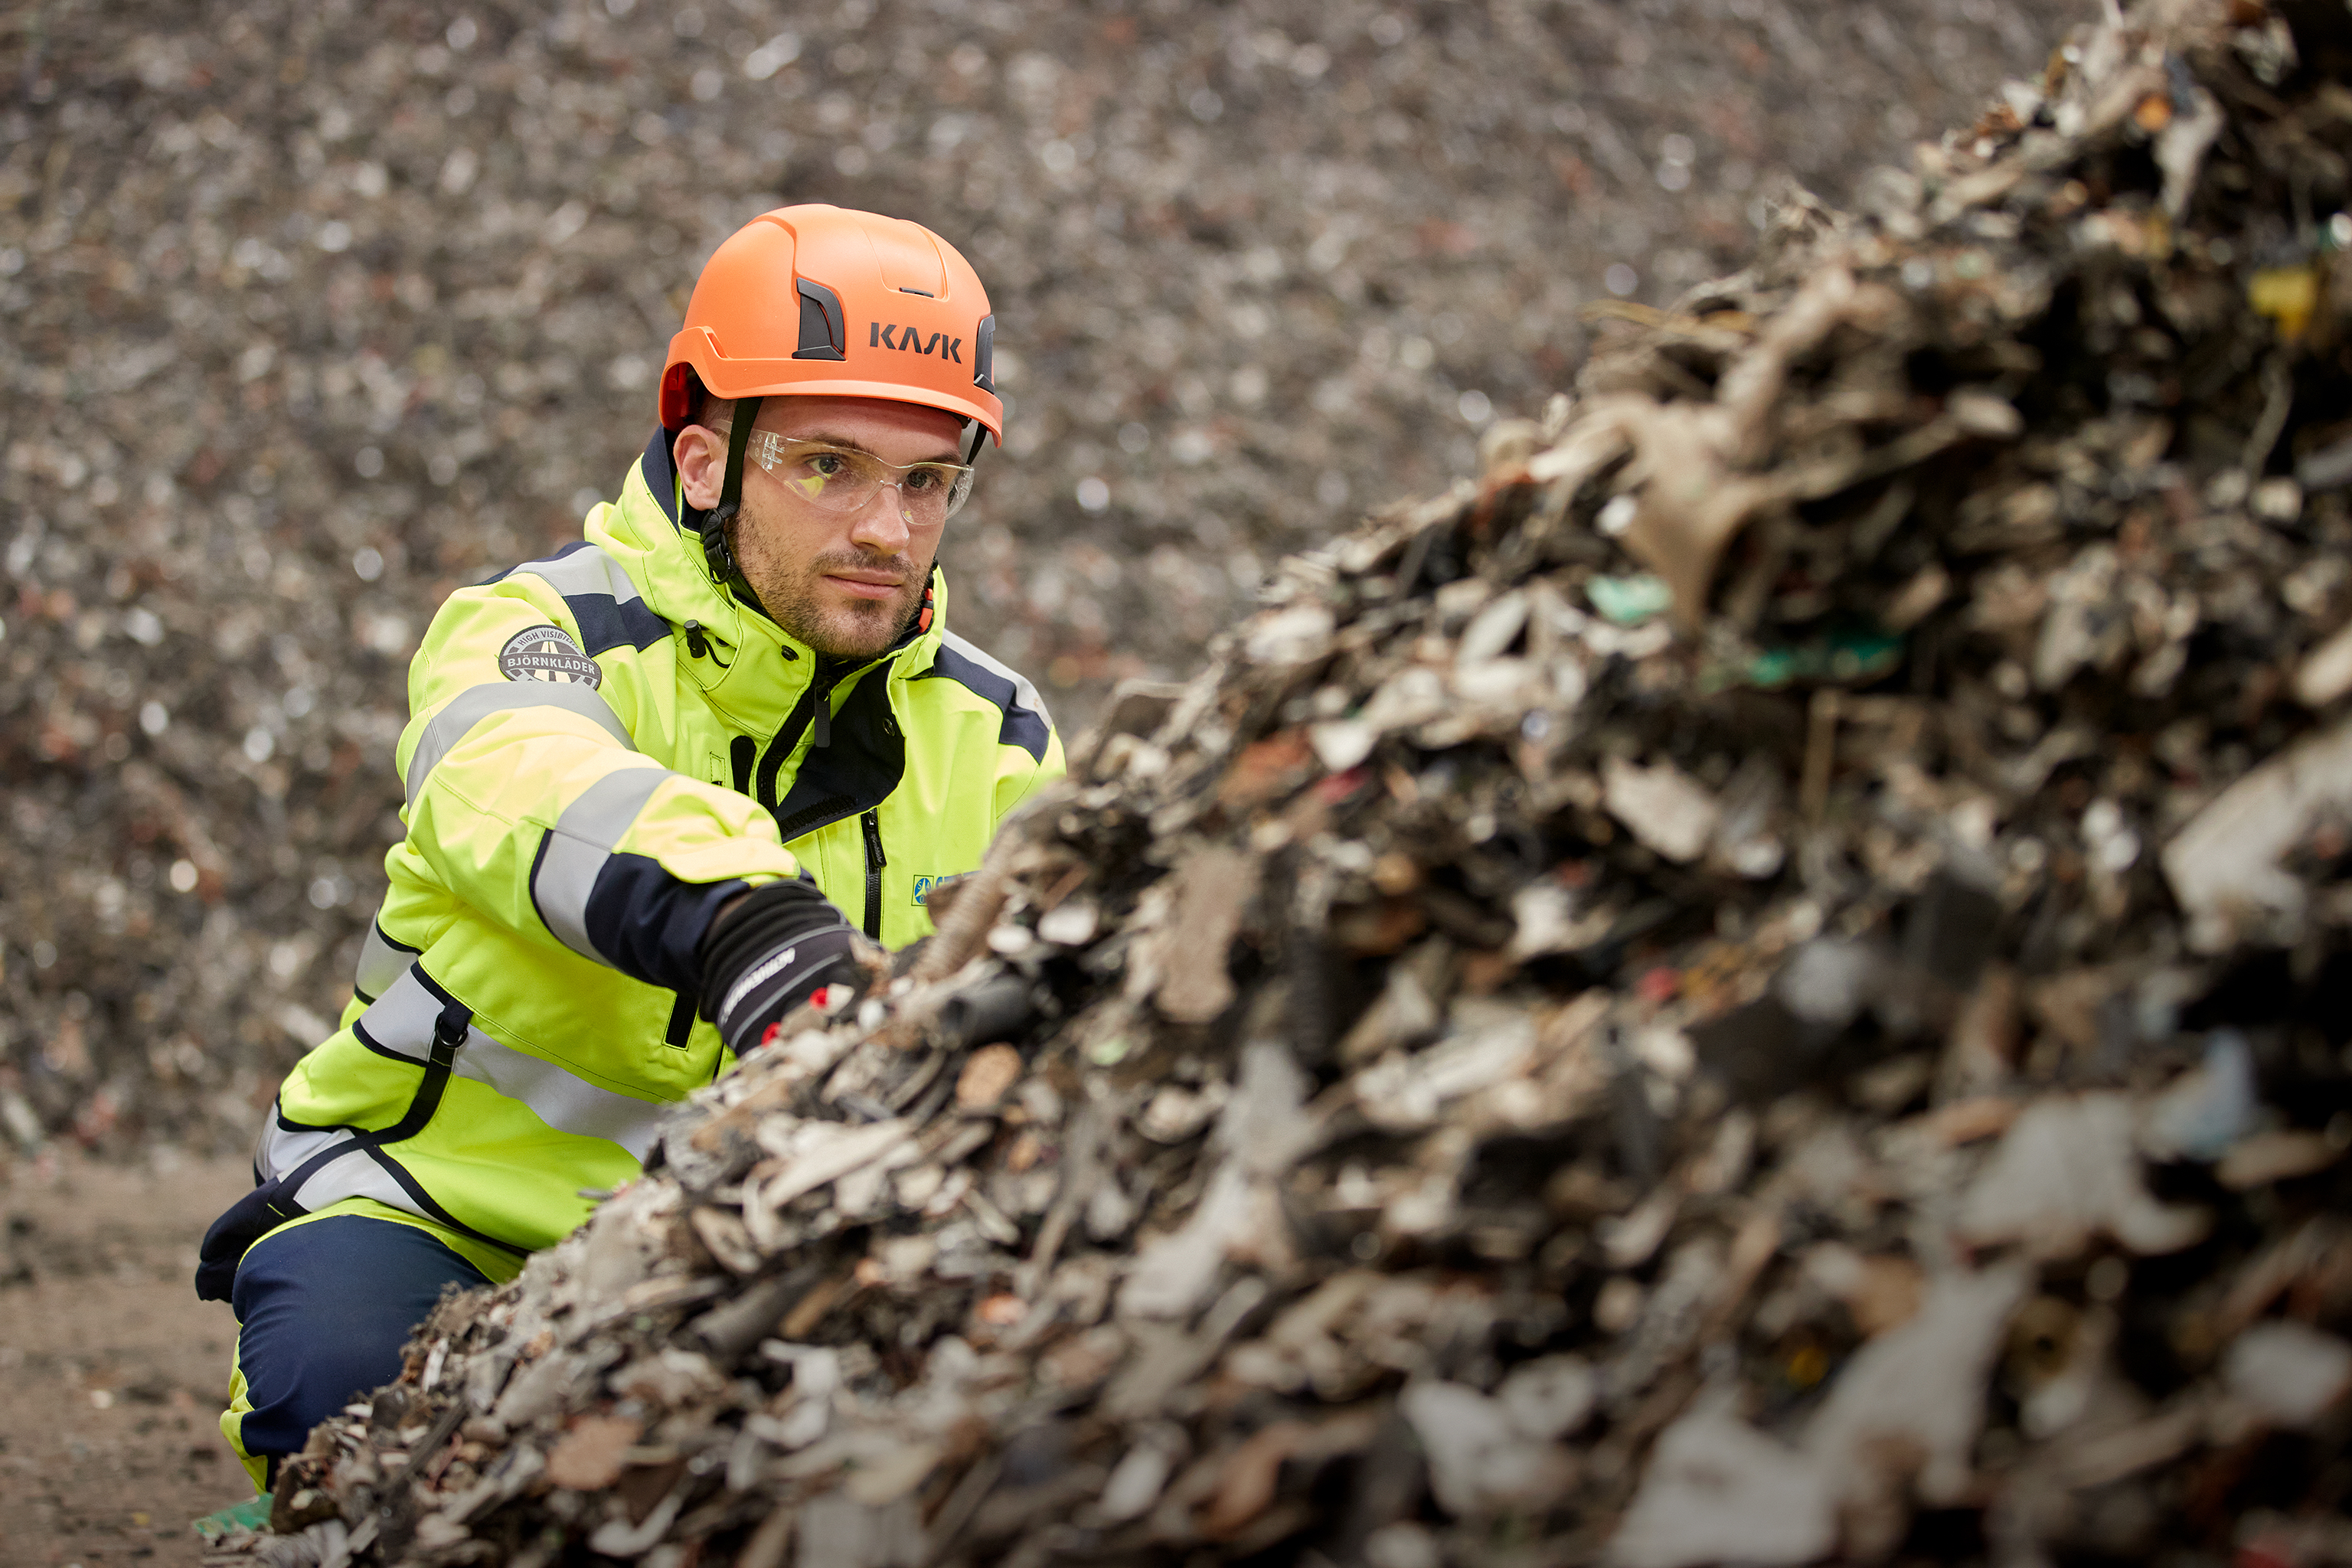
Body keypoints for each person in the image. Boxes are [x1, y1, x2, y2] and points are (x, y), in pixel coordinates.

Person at [194, 204, 1063, 1491]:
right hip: (441, 1211)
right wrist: (746, 924)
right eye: (827, 465)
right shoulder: (537, 633)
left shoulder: (999, 731)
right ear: (706, 462)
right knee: (354, 1431)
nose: (886, 528)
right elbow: (525, 778)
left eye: (926, 481)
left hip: (756, 1246)